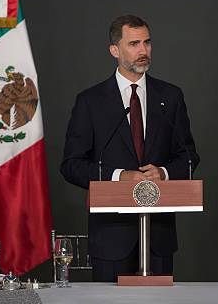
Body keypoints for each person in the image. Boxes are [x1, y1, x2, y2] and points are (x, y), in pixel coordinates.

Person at [61, 14, 200, 282]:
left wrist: (163, 172)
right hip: (111, 236)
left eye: (147, 43)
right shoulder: (91, 102)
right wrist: (118, 176)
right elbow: (71, 164)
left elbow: (188, 156)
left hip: (158, 236)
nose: (143, 51)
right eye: (134, 44)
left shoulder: (170, 97)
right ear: (115, 50)